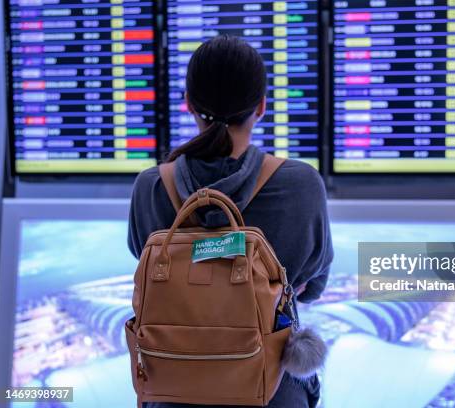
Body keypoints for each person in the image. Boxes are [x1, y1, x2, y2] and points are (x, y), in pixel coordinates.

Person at [127, 35, 333, 408]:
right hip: (272, 389)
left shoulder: (151, 187)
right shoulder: (301, 184)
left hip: (171, 388)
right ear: (261, 106)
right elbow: (312, 286)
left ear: (189, 104)